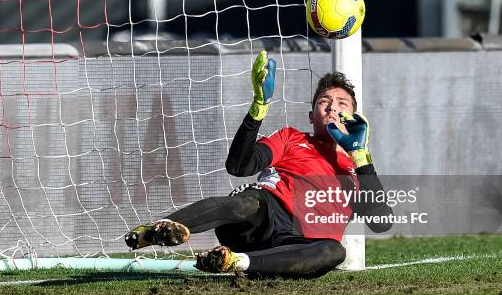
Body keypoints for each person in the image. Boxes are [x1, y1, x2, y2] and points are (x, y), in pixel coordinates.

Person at [125, 50, 393, 278]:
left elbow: (381, 221)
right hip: (260, 217)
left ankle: (235, 262)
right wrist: (258, 108)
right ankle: (159, 229)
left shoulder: (356, 169)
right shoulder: (291, 137)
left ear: (354, 118)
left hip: (295, 244)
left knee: (335, 251)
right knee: (248, 200)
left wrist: (360, 155)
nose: (332, 107)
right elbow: (239, 167)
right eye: (325, 101)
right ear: (312, 115)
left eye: (342, 103)